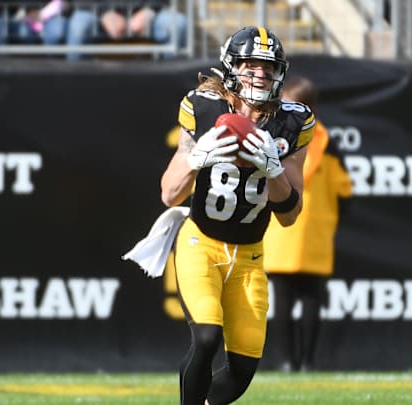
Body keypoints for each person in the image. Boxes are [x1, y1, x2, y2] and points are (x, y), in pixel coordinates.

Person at [159, 26, 314, 404]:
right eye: (251, 64)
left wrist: (273, 170)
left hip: (250, 254)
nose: (260, 74)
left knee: (243, 368)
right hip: (202, 243)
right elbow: (169, 193)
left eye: (268, 67)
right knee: (207, 337)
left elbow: (291, 213)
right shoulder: (203, 107)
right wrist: (198, 159)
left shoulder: (293, 123)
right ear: (232, 67)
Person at [263, 76, 352, 373]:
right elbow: (344, 189)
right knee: (312, 302)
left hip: (280, 231)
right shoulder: (329, 144)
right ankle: (309, 363)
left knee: (284, 304)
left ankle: (288, 362)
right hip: (315, 233)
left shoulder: (277, 137)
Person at [64, 2, 186, 60]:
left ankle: (172, 98)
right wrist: (104, 14)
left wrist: (149, 10)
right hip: (97, 14)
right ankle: (75, 91)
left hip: (146, 14)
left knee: (177, 24)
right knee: (79, 25)